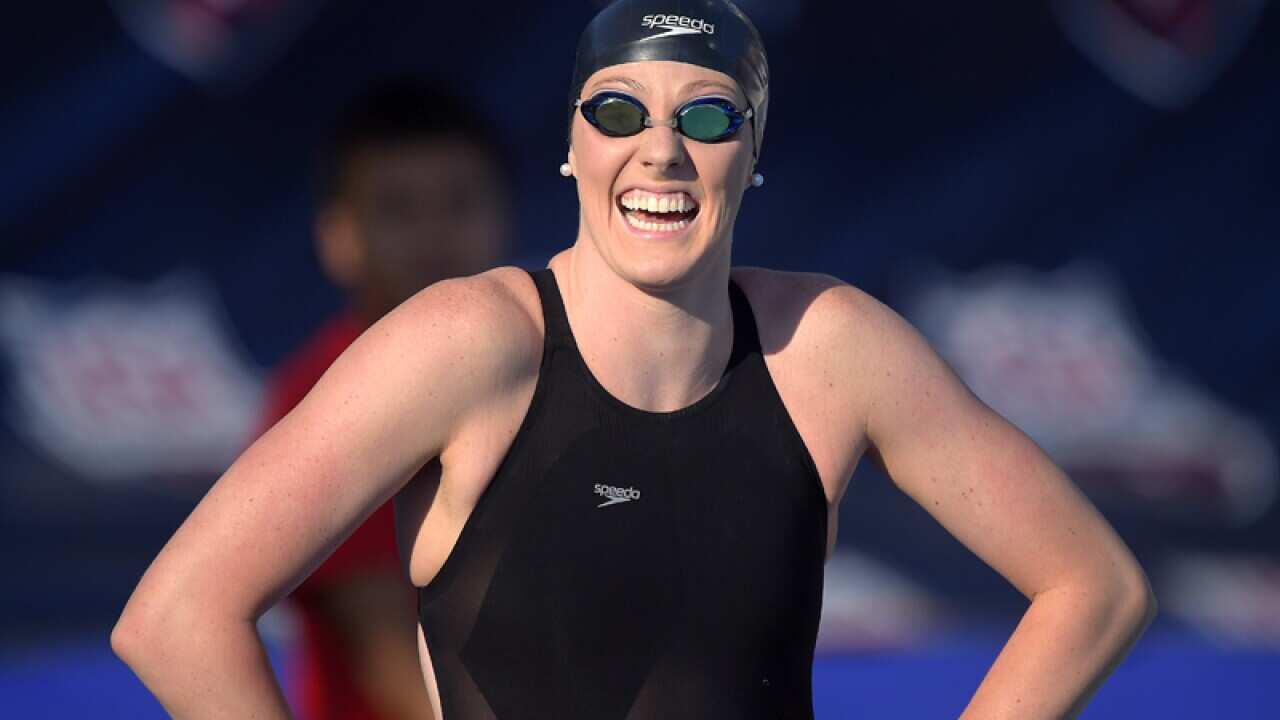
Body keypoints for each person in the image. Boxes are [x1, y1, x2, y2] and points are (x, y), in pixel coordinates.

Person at [112, 1, 1157, 718]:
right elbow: (176, 618)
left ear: (752, 157)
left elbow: (1092, 586)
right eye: (619, 111)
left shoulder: (829, 350)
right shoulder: (468, 343)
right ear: (573, 145)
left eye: (706, 117)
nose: (659, 148)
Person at [257, 78, 511, 720]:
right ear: (337, 237)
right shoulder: (318, 397)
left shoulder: (547, 360)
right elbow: (390, 658)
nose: (434, 236)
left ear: (504, 214)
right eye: (397, 209)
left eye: (459, 202)